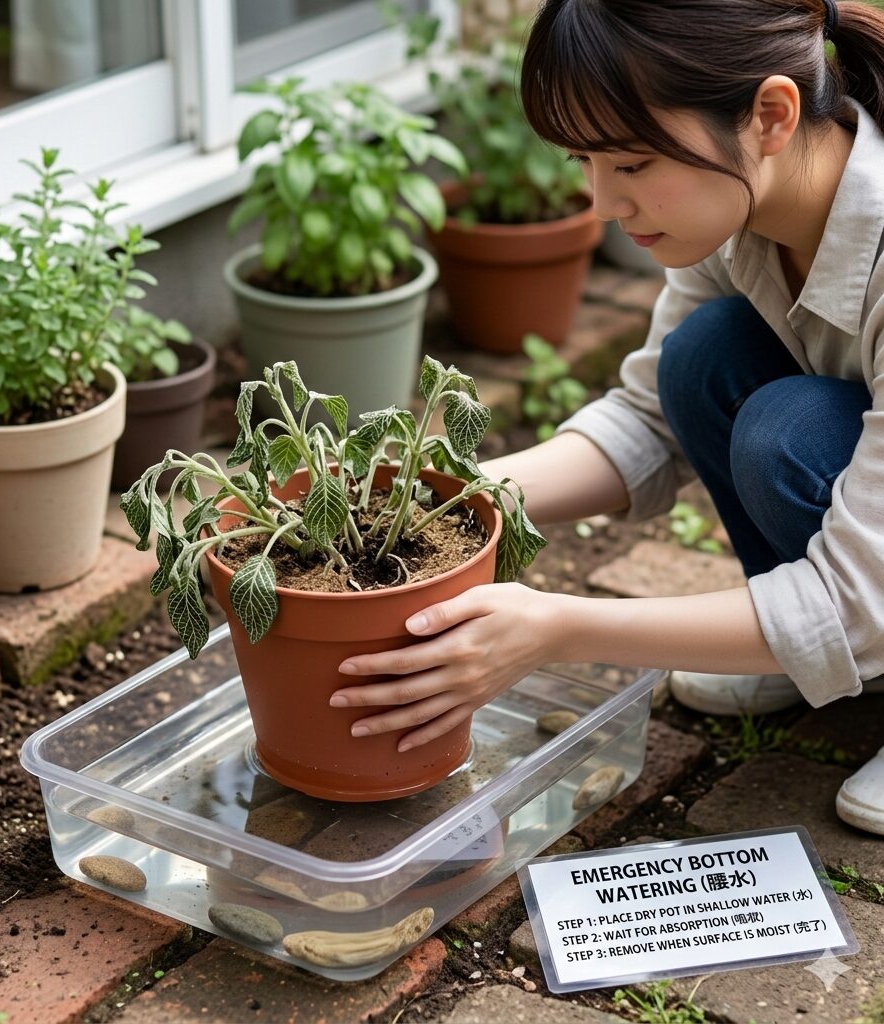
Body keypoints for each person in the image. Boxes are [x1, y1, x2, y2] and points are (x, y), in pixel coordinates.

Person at [329, 0, 884, 835]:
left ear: (771, 115)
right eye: (586, 159)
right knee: (705, 357)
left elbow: (856, 596)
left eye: (630, 163)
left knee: (786, 432)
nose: (600, 202)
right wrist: (439, 490)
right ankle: (797, 648)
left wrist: (558, 627)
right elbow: (647, 417)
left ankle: (811, 644)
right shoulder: (744, 211)